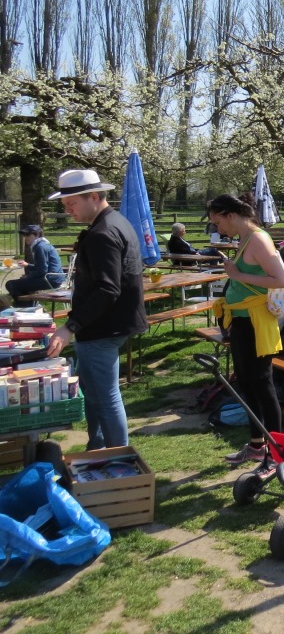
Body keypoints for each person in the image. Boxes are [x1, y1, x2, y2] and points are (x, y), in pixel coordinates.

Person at [44, 170, 147, 450]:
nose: (68, 211)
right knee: (95, 392)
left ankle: (118, 459)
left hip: (103, 326)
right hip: (111, 323)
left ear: (93, 196)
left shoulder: (103, 232)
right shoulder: (113, 223)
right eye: (65, 206)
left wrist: (70, 326)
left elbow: (108, 289)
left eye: (72, 204)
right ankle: (98, 448)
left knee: (105, 395)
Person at [207, 194, 284, 467]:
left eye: (218, 221)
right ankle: (257, 445)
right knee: (247, 383)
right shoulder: (244, 239)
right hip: (242, 321)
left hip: (256, 322)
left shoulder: (258, 239)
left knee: (263, 384)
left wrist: (238, 275)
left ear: (231, 215)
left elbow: (279, 279)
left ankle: (277, 453)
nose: (217, 228)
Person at [6, 224, 65, 300]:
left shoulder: (40, 247)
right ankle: (29, 306)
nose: (25, 237)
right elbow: (41, 267)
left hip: (50, 280)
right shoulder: (43, 244)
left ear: (37, 235)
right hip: (54, 278)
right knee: (21, 284)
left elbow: (42, 270)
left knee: (11, 284)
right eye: (24, 235)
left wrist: (29, 276)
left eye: (28, 234)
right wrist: (27, 266)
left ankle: (25, 307)